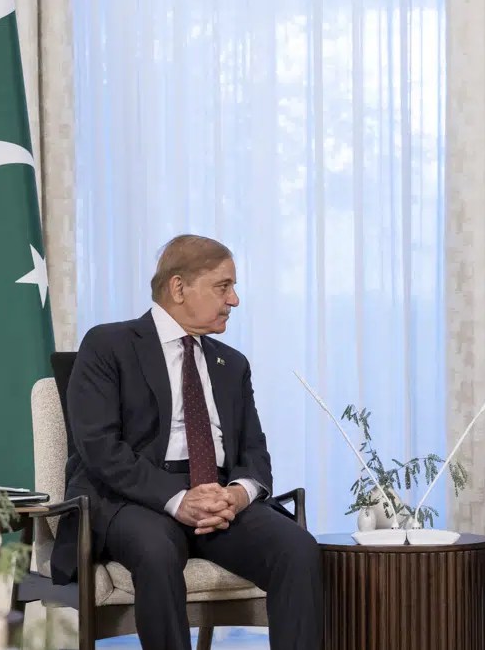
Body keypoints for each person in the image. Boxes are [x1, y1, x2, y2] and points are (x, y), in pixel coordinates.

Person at [52, 234, 322, 650]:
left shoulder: (231, 364)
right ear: (179, 288)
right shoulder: (109, 345)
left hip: (216, 496)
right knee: (157, 552)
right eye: (223, 286)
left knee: (298, 548)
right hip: (134, 498)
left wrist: (237, 494)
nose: (234, 300)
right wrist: (178, 500)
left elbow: (254, 453)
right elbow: (100, 448)